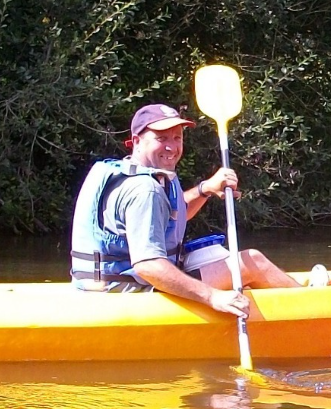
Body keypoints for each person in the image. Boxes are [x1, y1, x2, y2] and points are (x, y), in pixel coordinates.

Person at [70, 102, 303, 317]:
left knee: (221, 255)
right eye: (161, 138)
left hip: (110, 281)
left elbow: (171, 215)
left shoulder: (132, 173)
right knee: (252, 262)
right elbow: (148, 265)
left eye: (177, 137)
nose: (171, 147)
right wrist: (212, 296)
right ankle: (313, 306)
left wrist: (205, 189)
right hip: (126, 291)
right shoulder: (144, 190)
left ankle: (296, 294)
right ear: (137, 141)